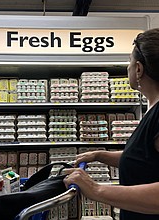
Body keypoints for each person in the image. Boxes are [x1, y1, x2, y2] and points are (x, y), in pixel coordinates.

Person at [63, 28, 159, 220]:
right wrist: (99, 155)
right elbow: (143, 159)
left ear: (139, 69)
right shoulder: (153, 111)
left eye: (129, 62)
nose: (127, 68)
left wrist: (96, 189)